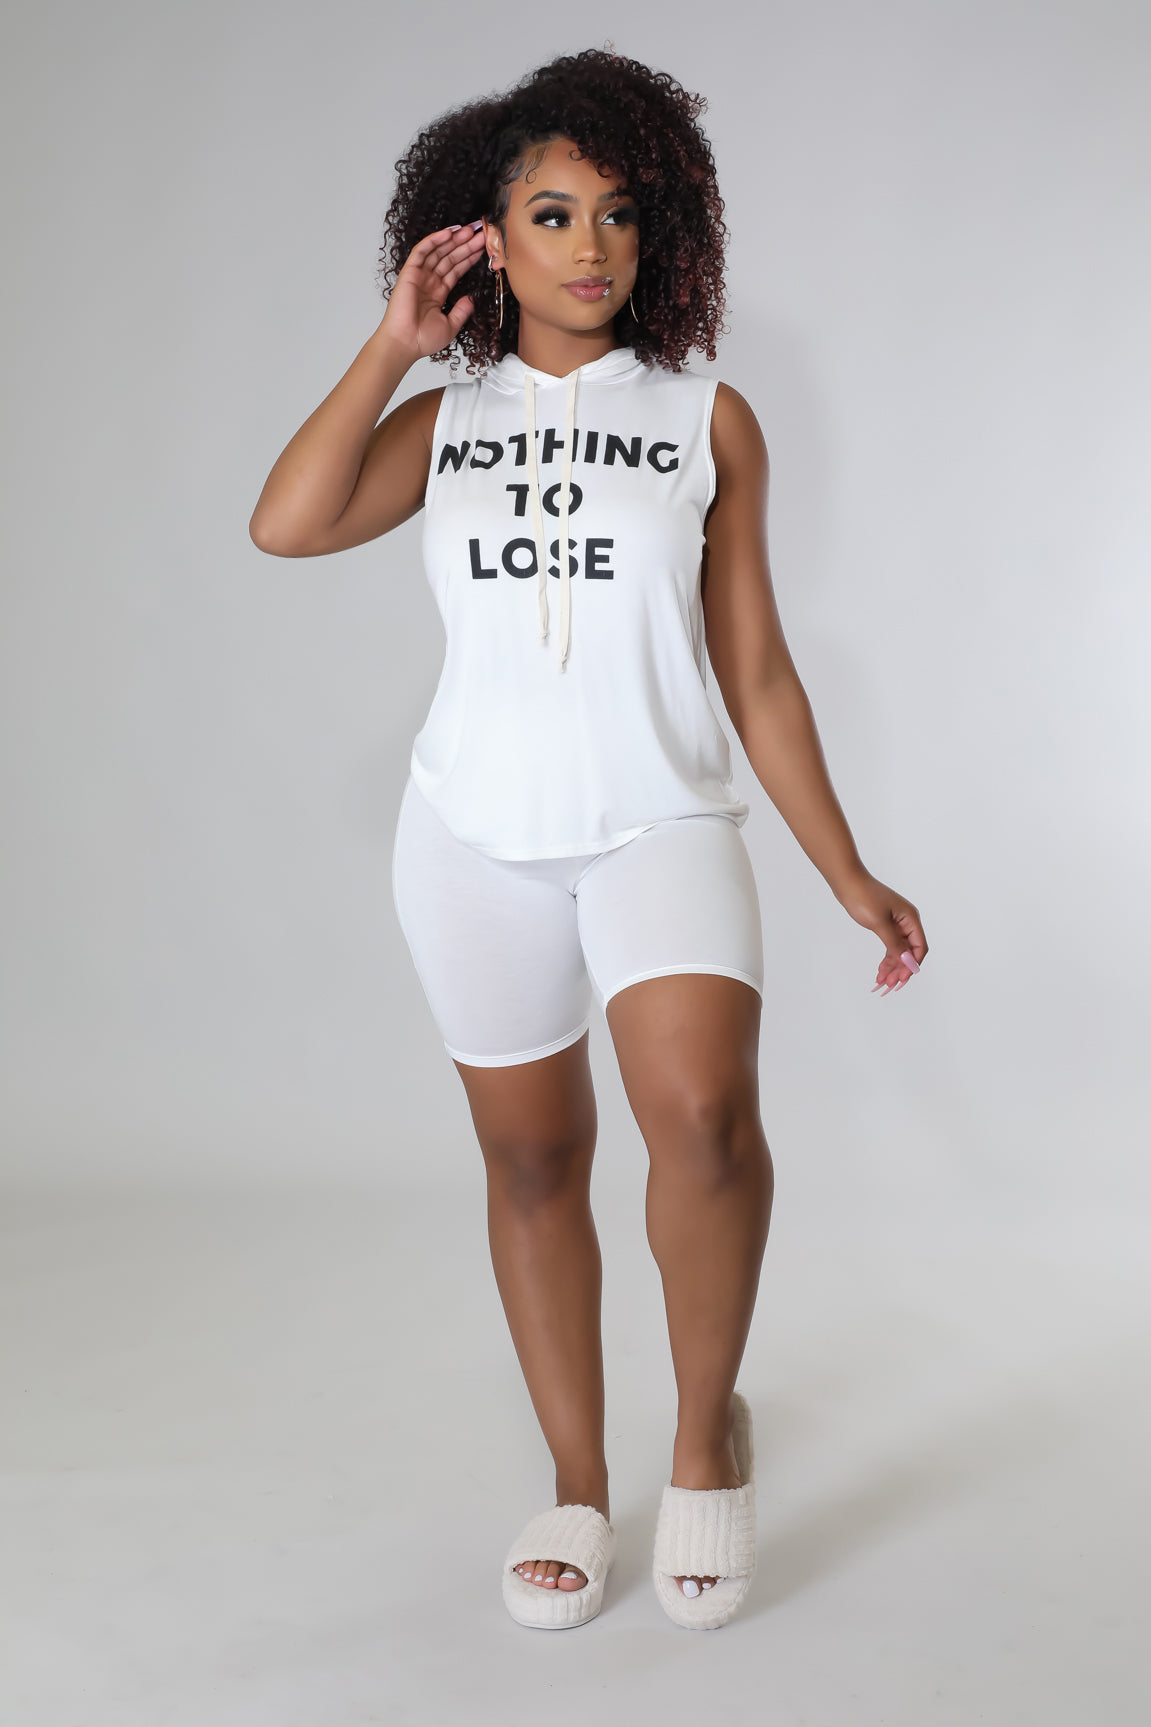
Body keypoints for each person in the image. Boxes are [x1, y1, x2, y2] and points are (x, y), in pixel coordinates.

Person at [249, 47, 928, 1632]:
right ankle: (573, 1479)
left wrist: (844, 868)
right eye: (552, 214)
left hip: (659, 818)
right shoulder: (448, 419)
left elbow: (757, 668)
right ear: (484, 236)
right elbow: (286, 522)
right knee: (534, 1158)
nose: (591, 245)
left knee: (703, 1118)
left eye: (620, 213)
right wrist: (394, 348)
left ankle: (703, 1437)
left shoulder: (706, 418)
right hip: (468, 837)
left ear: (658, 231)